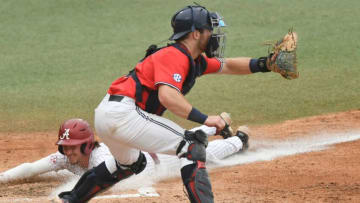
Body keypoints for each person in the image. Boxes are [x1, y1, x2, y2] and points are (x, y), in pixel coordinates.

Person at [58, 4, 276, 203]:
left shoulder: (191, 59)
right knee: (191, 147)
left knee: (130, 164)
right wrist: (205, 119)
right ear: (195, 33)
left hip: (108, 114)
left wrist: (265, 64)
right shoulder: (174, 56)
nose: (214, 36)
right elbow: (168, 97)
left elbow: (226, 65)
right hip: (125, 114)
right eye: (209, 30)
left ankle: (71, 199)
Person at [0, 118, 250, 185]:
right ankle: (212, 125)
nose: (67, 151)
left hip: (159, 163)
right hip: (142, 151)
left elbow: (101, 182)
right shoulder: (68, 156)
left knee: (204, 153)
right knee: (181, 135)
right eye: (64, 146)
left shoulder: (103, 159)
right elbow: (33, 168)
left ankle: (240, 139)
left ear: (87, 144)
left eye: (72, 146)